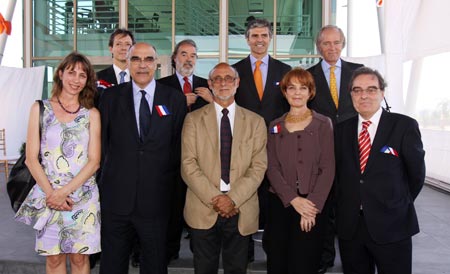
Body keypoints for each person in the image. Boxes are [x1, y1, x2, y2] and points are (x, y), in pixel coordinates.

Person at [98, 42, 186, 274]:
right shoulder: (109, 97)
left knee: (155, 264)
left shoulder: (174, 99)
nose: (142, 65)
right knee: (112, 264)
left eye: (148, 59)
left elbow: (178, 148)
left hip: (156, 200)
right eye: (136, 59)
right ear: (127, 63)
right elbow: (102, 145)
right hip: (116, 200)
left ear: (156, 64)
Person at [15, 51, 101, 274]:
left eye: (83, 75)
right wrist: (53, 194)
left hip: (83, 196)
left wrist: (65, 193)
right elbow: (32, 159)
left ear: (87, 81)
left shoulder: (91, 114)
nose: (76, 80)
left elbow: (94, 161)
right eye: (72, 73)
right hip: (48, 196)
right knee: (54, 260)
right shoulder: (40, 108)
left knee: (80, 259)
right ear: (60, 74)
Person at [335, 67, 425, 274]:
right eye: (357, 90)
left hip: (392, 226)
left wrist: (395, 203)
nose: (364, 95)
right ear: (351, 95)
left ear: (382, 93)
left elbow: (416, 175)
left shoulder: (404, 126)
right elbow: (339, 176)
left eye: (371, 89)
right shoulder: (341, 130)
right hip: (351, 227)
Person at [181, 62, 267, 274]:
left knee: (237, 269)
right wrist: (217, 199)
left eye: (228, 78)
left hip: (241, 208)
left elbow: (258, 167)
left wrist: (233, 199)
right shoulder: (193, 120)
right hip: (204, 207)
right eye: (217, 79)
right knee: (204, 269)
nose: (223, 83)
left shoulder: (256, 122)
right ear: (210, 84)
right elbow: (188, 164)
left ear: (237, 83)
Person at [264, 68, 335, 274]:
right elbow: (272, 167)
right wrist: (294, 200)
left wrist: (310, 207)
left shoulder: (324, 124)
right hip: (280, 203)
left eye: (303, 87)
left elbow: (328, 167)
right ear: (285, 92)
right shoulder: (275, 126)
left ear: (310, 92)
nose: (297, 93)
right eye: (292, 88)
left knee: (304, 262)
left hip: (312, 204)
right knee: (277, 260)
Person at [232, 17, 291, 261]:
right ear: (247, 40)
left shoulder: (284, 71)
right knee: (245, 195)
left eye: (264, 35)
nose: (259, 40)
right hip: (242, 147)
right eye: (254, 36)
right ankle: (243, 251)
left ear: (270, 38)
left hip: (276, 146)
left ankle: (272, 250)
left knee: (273, 198)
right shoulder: (235, 71)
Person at [307, 25, 363, 274]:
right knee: (324, 205)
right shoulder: (308, 77)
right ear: (319, 46)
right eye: (326, 43)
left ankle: (355, 257)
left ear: (343, 44)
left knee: (351, 204)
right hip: (319, 151)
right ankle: (324, 257)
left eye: (336, 42)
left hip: (353, 149)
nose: (331, 47)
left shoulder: (358, 73)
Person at [157, 39, 212, 263]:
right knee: (170, 208)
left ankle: (201, 254)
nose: (188, 59)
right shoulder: (162, 85)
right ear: (174, 58)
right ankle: (170, 252)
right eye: (184, 54)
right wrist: (179, 101)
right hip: (170, 156)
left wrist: (213, 100)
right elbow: (156, 115)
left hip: (201, 158)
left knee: (200, 207)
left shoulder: (206, 85)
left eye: (193, 55)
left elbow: (222, 115)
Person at [93, 28, 139, 269]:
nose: (124, 47)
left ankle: (134, 250)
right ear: (111, 48)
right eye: (119, 43)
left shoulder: (141, 77)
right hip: (104, 154)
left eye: (128, 44)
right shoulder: (98, 79)